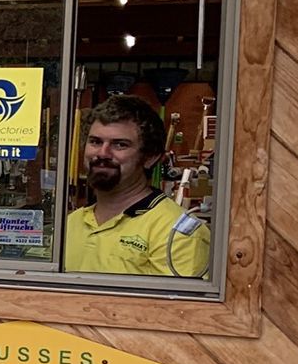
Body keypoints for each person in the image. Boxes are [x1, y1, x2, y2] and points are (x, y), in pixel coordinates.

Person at [63, 94, 211, 277]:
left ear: (150, 157)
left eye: (120, 145)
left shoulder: (178, 233)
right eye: (95, 142)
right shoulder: (70, 223)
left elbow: (179, 305)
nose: (102, 153)